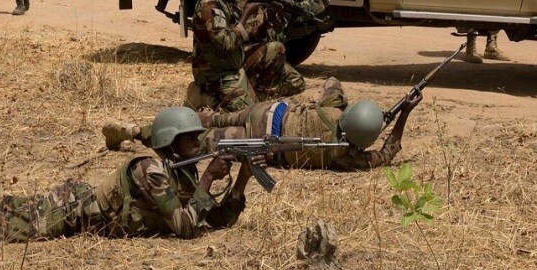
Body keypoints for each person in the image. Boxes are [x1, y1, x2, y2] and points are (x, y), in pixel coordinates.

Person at [0, 107, 261, 253]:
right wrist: (211, 178)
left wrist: (241, 180)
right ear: (171, 142)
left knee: (6, 203)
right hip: (70, 213)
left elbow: (214, 220)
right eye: (192, 138)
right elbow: (185, 229)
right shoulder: (151, 170)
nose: (200, 142)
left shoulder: (184, 174)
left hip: (78, 202)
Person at [104, 77, 421, 171]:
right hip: (254, 139)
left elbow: (332, 85)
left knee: (202, 122)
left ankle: (137, 130)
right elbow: (389, 151)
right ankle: (135, 133)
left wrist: (392, 109)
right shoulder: (347, 157)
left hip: (264, 112)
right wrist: (402, 115)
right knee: (196, 141)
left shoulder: (333, 112)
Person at [240, 0, 334, 97]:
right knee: (296, 83)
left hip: (251, 47)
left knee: (295, 80)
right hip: (258, 48)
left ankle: (258, 89)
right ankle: (259, 93)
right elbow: (303, 10)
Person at [189, 0, 261, 112]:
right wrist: (246, 14)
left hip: (228, 67)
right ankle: (206, 98)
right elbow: (225, 42)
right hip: (216, 74)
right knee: (248, 116)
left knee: (257, 108)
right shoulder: (209, 5)